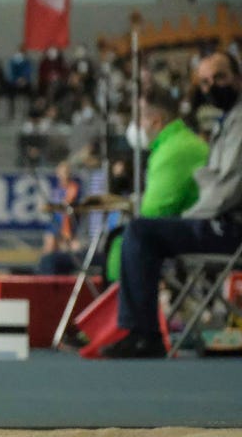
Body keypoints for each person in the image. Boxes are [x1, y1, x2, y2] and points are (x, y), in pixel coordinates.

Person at [102, 52, 242, 358]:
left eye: (219, 77)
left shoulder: (239, 124)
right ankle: (142, 330)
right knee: (140, 233)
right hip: (220, 221)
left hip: (230, 228)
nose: (211, 87)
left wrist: (189, 219)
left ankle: (143, 333)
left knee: (140, 233)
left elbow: (226, 191)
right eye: (204, 82)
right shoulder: (227, 122)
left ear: (238, 76)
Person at [103, 87, 207, 282]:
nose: (135, 127)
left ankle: (126, 309)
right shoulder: (177, 142)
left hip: (198, 234)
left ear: (156, 120)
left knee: (131, 235)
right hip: (197, 227)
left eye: (138, 120)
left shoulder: (173, 150)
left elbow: (153, 213)